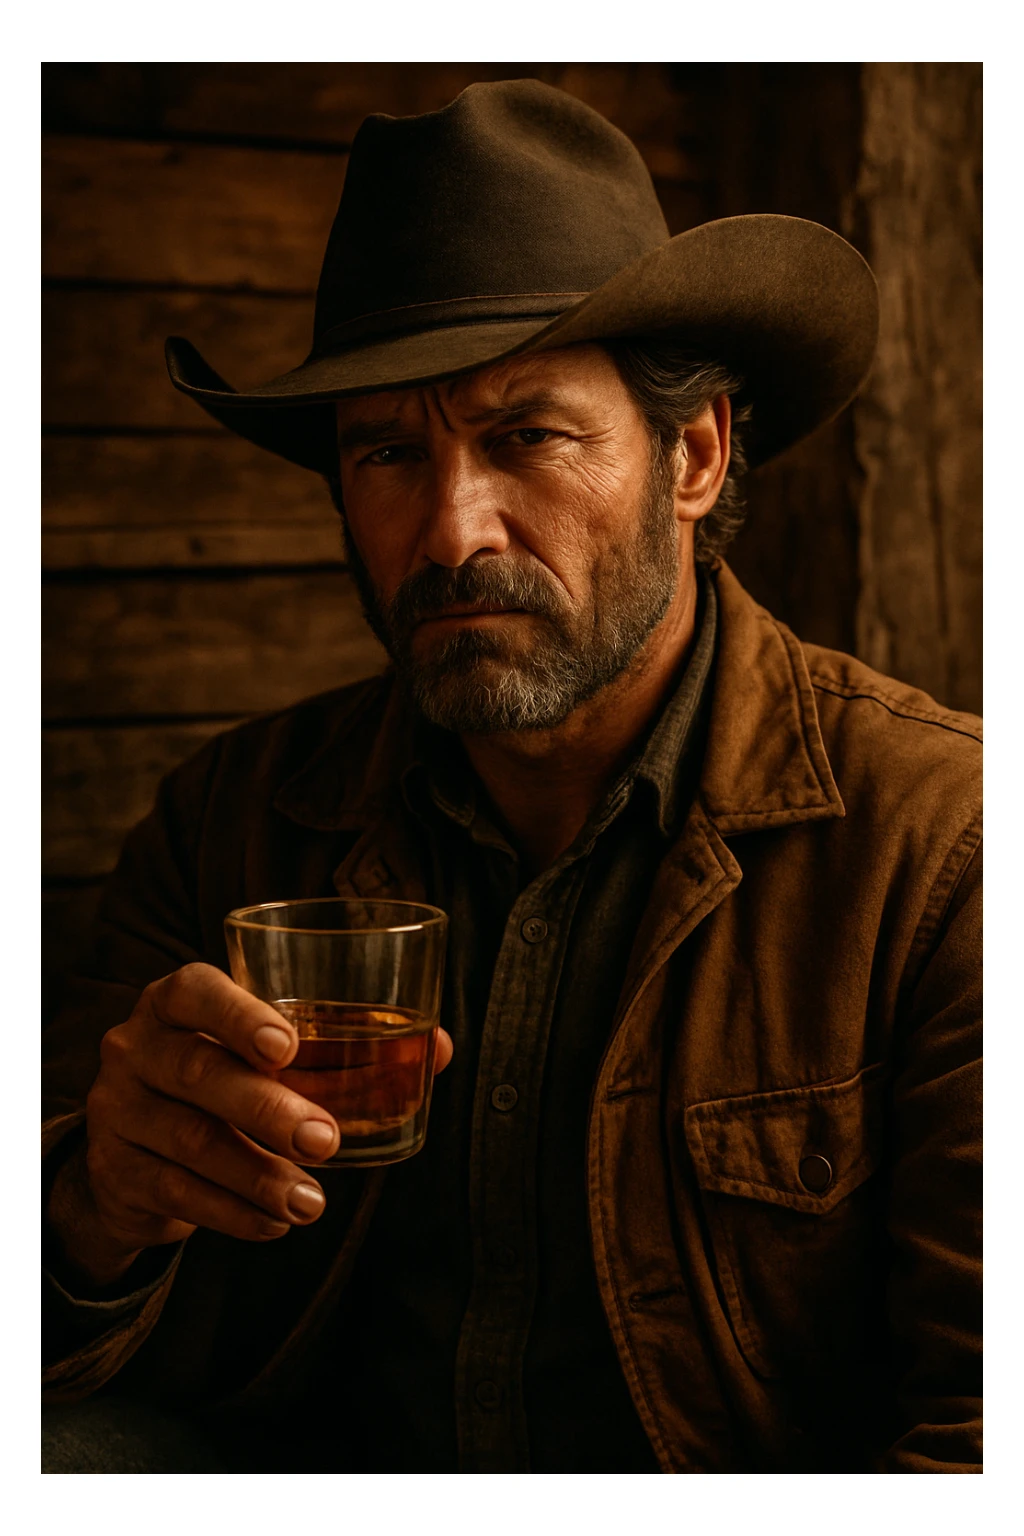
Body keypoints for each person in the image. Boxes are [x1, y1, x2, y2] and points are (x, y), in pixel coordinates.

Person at [41, 79, 981, 1474]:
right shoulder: (227, 823)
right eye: (387, 453)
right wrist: (92, 1210)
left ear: (694, 455)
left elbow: (981, 1441)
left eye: (525, 437)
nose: (449, 531)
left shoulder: (946, 848)